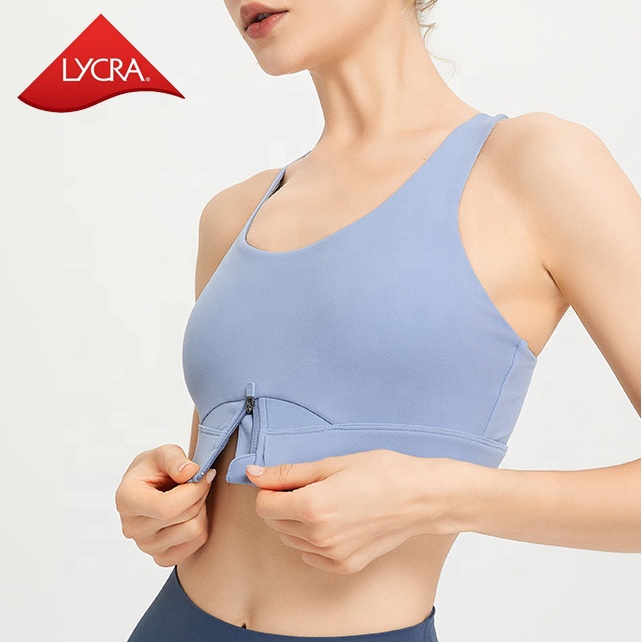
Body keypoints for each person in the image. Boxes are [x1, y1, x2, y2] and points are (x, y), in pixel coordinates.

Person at [116, 1, 641, 640]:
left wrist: (439, 497)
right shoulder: (232, 216)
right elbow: (214, 471)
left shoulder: (536, 166)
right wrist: (164, 506)